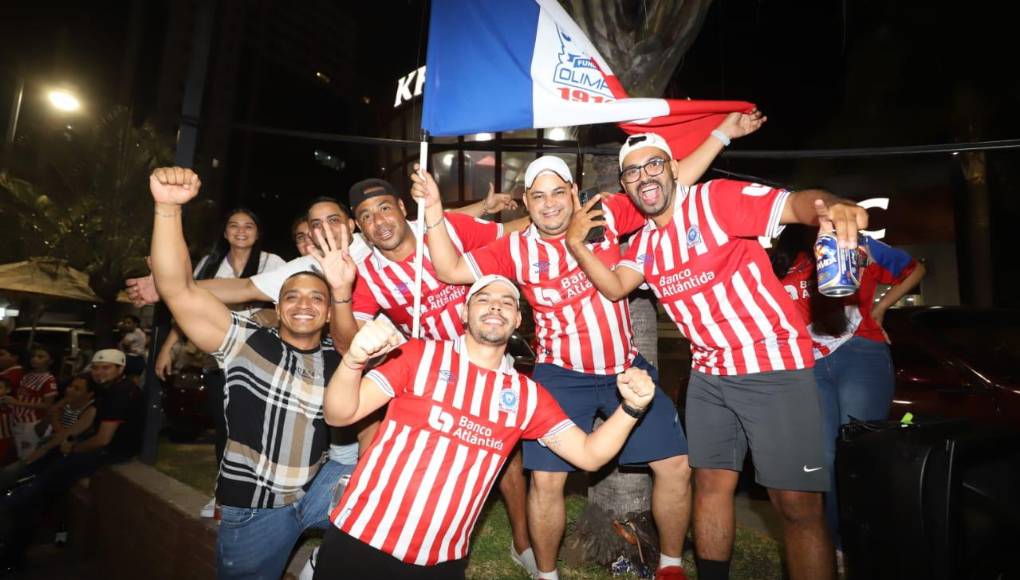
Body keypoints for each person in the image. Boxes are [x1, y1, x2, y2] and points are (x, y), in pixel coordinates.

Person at [411, 112, 765, 580]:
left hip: (625, 369)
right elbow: (450, 270)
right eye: (538, 196)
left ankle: (672, 565)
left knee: (676, 466)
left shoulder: (604, 216)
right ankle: (547, 574)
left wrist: (720, 135)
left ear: (574, 194)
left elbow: (669, 188)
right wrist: (434, 212)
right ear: (527, 204)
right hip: (561, 374)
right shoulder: (514, 248)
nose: (550, 203)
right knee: (547, 479)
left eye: (559, 192)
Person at [565, 132, 870, 580]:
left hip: (774, 368)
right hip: (709, 376)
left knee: (797, 505)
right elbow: (614, 287)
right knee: (709, 485)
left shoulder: (715, 201)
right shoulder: (646, 245)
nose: (643, 176)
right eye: (631, 172)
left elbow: (798, 205)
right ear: (626, 188)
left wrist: (831, 206)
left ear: (672, 169)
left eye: (653, 165)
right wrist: (576, 246)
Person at [310, 273, 657, 580]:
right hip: (360, 536)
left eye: (507, 302)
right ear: (464, 312)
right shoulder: (417, 355)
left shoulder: (527, 396)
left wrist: (632, 408)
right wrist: (354, 361)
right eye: (483, 299)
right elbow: (340, 414)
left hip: (441, 558)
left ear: (518, 319)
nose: (495, 307)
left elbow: (589, 455)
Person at [145, 166, 353, 580]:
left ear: (330, 312)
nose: (304, 304)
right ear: (277, 308)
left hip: (315, 491)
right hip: (255, 507)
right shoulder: (244, 340)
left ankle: (323, 562)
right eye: (291, 296)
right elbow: (178, 289)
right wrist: (167, 209)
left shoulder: (341, 356)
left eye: (317, 298)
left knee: (390, 499)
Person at [771, 224, 925, 546]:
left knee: (858, 451)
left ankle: (867, 548)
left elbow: (914, 270)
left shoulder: (857, 245)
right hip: (809, 364)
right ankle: (835, 549)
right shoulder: (784, 261)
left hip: (859, 351)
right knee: (823, 457)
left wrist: (880, 308)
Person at [153, 206, 286, 517]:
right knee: (226, 428)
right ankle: (225, 493)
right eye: (233, 225)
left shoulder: (272, 263)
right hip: (219, 360)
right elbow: (183, 305)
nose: (241, 231)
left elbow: (292, 300)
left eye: (248, 225)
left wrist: (268, 314)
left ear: (258, 232)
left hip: (262, 359)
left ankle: (264, 494)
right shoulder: (210, 265)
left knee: (259, 429)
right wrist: (167, 349)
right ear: (225, 233)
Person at [0, 349, 143, 572]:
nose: (99, 372)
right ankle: (16, 549)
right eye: (96, 367)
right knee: (34, 489)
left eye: (106, 367)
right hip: (95, 451)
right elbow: (82, 424)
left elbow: (102, 439)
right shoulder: (111, 390)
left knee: (32, 496)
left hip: (104, 454)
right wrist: (61, 441)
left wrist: (72, 446)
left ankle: (12, 558)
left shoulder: (119, 393)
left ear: (120, 369)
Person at [9, 347, 58, 460]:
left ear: (50, 361)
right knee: (18, 452)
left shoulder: (49, 380)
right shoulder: (27, 375)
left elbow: (47, 405)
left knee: (27, 455)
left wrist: (17, 403)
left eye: (40, 357)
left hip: (31, 423)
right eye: (33, 356)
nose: (34, 359)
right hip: (17, 419)